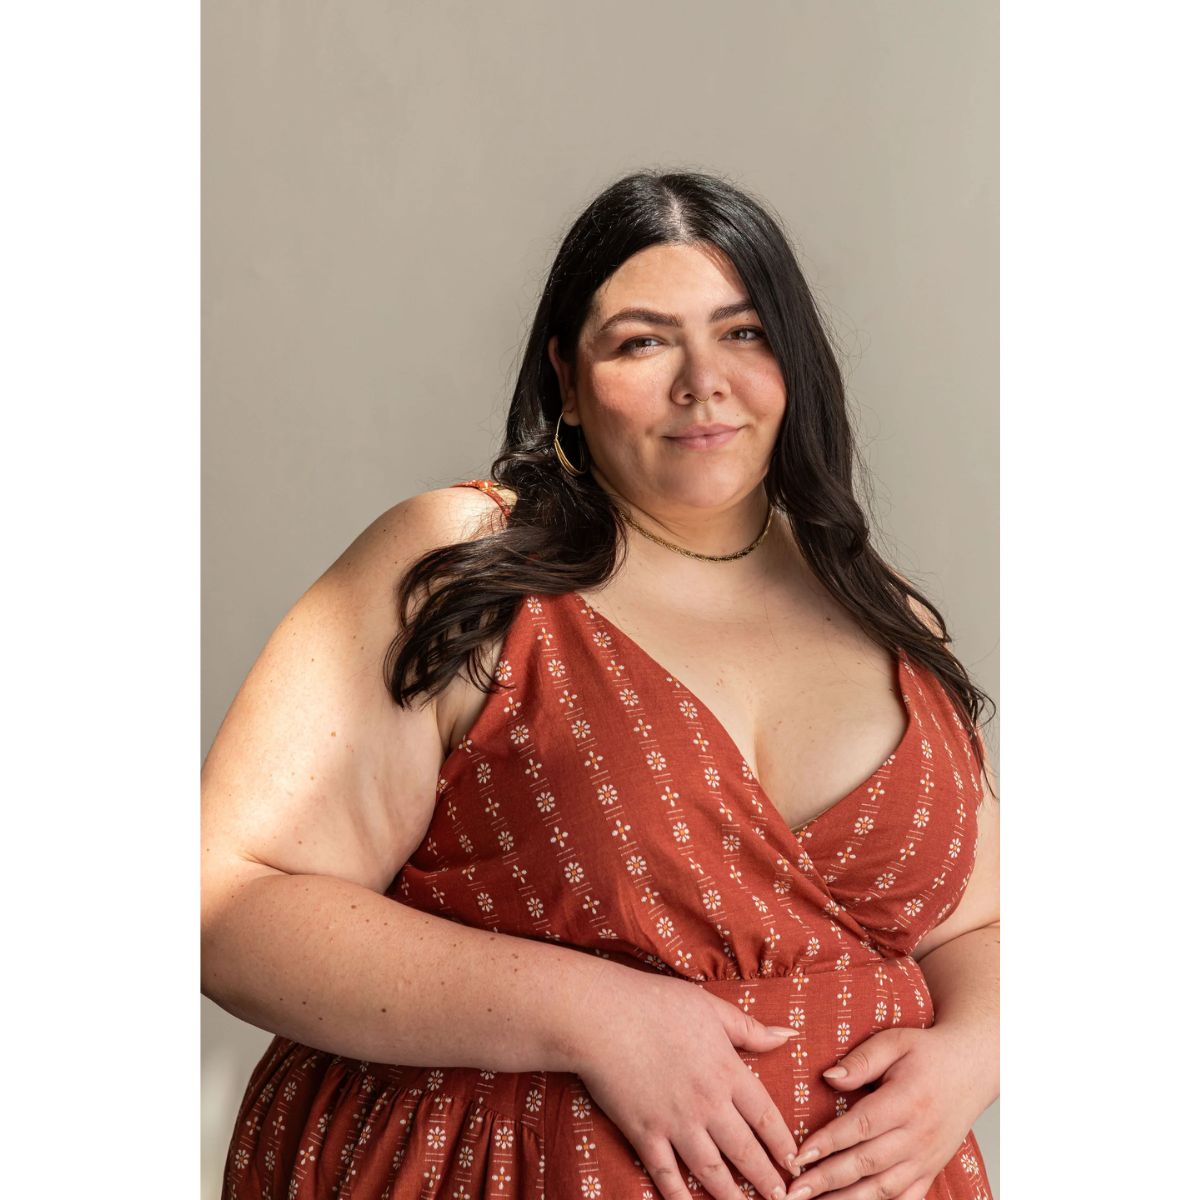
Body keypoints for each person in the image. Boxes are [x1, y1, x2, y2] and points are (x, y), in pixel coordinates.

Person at [202, 169, 999, 1200]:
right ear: (566, 383)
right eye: (641, 342)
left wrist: (975, 1052)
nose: (702, 382)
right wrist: (589, 1014)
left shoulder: (881, 609)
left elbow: (982, 924)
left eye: (745, 333)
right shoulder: (464, 569)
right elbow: (225, 905)